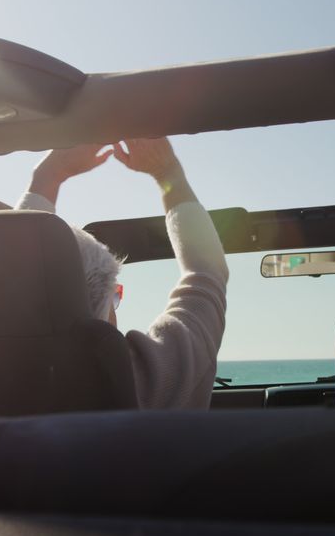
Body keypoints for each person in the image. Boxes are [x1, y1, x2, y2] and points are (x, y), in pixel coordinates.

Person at [14, 138, 228, 409]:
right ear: (101, 306)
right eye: (115, 295)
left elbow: (15, 271)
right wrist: (168, 174)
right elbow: (207, 269)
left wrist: (46, 175)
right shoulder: (155, 378)